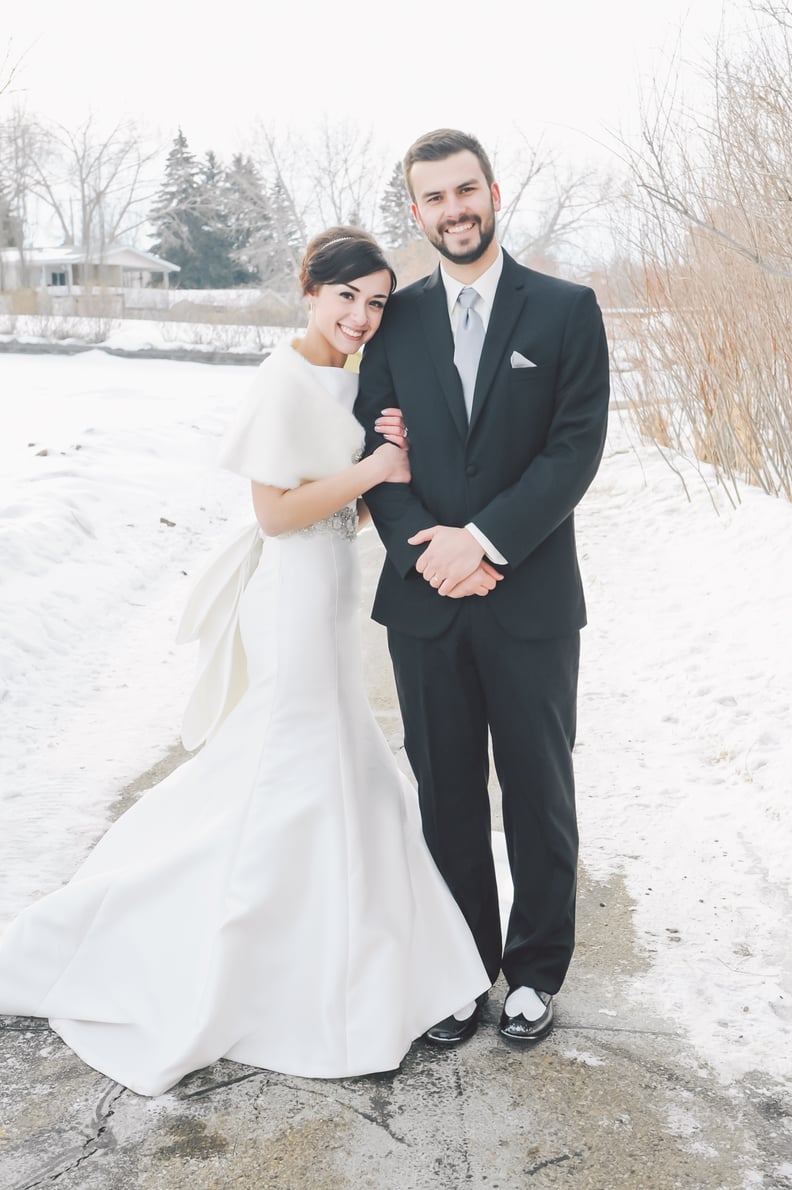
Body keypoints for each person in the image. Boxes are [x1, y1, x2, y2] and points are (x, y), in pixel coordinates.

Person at [0, 227, 490, 1097]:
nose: (362, 316)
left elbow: (356, 503)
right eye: (347, 297)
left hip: (335, 580)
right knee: (295, 754)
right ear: (311, 291)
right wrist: (377, 463)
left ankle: (344, 947)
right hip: (293, 586)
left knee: (339, 757)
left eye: (377, 302)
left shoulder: (353, 377)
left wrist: (396, 475)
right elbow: (274, 512)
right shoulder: (280, 377)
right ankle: (219, 945)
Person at [354, 130, 610, 1046]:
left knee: (539, 787)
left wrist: (488, 542)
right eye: (434, 198)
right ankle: (463, 969)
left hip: (531, 594)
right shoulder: (398, 322)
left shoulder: (567, 310)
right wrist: (427, 551)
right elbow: (377, 457)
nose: (454, 210)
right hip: (425, 600)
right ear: (415, 212)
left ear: (493, 193)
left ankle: (537, 972)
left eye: (467, 191)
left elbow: (574, 448)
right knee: (446, 790)